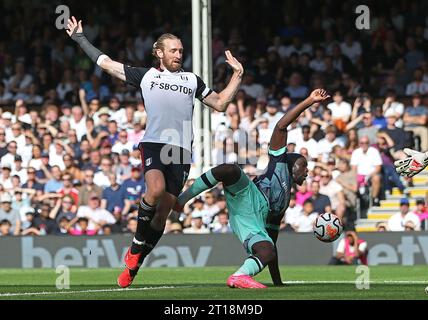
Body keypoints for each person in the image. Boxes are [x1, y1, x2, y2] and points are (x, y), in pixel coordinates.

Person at [65, 16, 244, 288]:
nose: (178, 54)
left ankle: (135, 265)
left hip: (182, 150)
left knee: (163, 214)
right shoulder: (147, 75)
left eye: (181, 50)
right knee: (155, 190)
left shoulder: (191, 79)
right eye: (173, 50)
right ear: (159, 53)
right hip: (156, 143)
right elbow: (105, 63)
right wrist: (80, 38)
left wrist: (238, 75)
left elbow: (220, 103)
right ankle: (136, 247)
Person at [176, 89, 330, 288]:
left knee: (266, 251)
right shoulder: (279, 162)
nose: (307, 171)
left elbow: (272, 241)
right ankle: (182, 200)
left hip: (250, 219)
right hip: (249, 195)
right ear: (293, 165)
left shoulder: (284, 202)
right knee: (230, 169)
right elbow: (281, 126)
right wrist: (309, 101)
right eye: (304, 166)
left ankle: (239, 276)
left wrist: (278, 282)